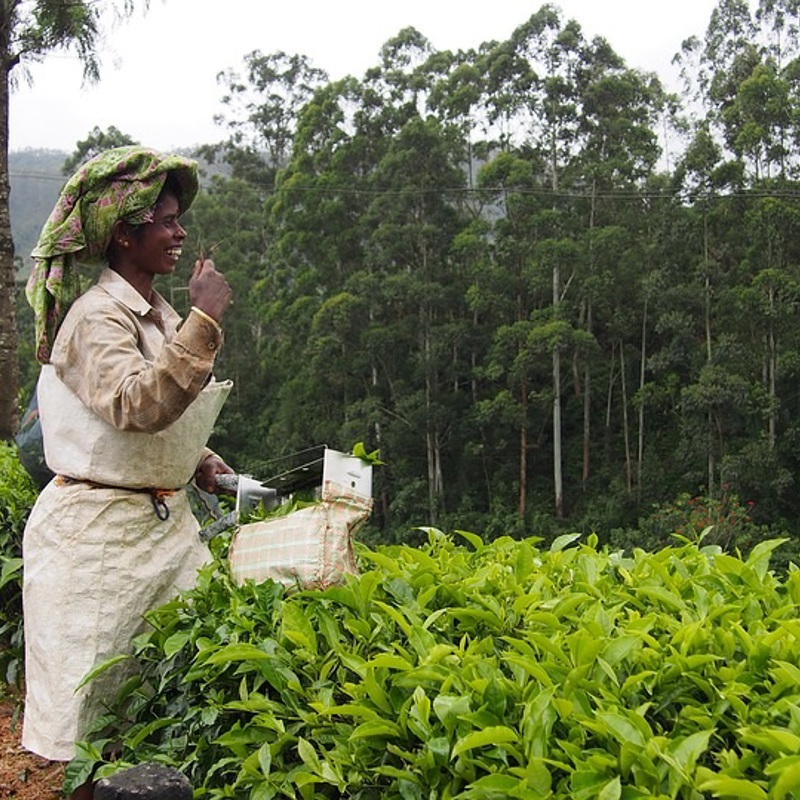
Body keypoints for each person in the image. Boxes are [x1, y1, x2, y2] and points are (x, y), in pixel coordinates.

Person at [21, 146, 234, 799]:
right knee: (88, 727)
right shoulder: (94, 318)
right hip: (96, 543)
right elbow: (135, 403)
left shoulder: (155, 313)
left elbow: (133, 426)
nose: (180, 233)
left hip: (159, 532)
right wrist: (205, 320)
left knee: (164, 688)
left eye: (179, 220)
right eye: (165, 221)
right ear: (123, 234)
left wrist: (195, 457)